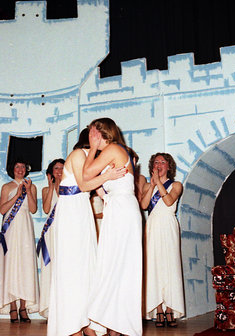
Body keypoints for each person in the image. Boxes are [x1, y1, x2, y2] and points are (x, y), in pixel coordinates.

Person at [47, 128, 127, 336]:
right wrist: (107, 174)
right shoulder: (77, 155)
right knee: (72, 268)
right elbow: (83, 185)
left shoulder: (89, 157)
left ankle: (87, 322)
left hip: (82, 212)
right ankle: (71, 325)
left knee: (87, 265)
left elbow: (97, 187)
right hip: (70, 214)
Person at [83, 117, 143, 336]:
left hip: (122, 211)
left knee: (116, 264)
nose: (90, 136)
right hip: (117, 208)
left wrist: (91, 149)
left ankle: (105, 323)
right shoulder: (114, 153)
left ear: (100, 133)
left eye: (92, 132)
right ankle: (112, 323)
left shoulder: (113, 149)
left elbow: (87, 173)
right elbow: (99, 185)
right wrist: (104, 180)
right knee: (113, 264)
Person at [140, 153, 185, 327]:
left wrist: (158, 182)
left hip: (168, 225)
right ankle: (158, 309)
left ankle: (170, 309)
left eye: (162, 162)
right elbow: (144, 205)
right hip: (152, 225)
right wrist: (151, 186)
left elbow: (168, 201)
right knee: (154, 266)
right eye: (156, 162)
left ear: (168, 166)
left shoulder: (176, 185)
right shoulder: (147, 185)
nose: (159, 164)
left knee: (170, 265)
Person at [0, 159, 39, 323]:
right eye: (17, 167)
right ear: (12, 169)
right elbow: (2, 210)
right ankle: (13, 307)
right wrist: (17, 195)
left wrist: (28, 191)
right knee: (11, 264)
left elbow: (33, 209)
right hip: (11, 228)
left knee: (25, 265)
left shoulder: (32, 186)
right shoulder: (7, 187)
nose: (20, 169)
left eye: (23, 167)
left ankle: (23, 306)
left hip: (25, 227)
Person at [38, 158, 65, 319]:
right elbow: (47, 208)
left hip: (64, 233)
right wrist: (50, 186)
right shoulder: (45, 190)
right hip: (50, 233)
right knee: (50, 269)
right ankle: (49, 308)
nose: (59, 171)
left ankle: (63, 307)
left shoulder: (70, 188)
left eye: (62, 168)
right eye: (56, 168)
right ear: (51, 172)